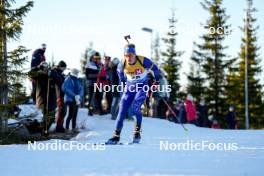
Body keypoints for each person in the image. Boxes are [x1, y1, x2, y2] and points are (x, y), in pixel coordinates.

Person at [106, 43, 160, 144]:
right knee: (121, 110)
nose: (128, 57)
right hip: (129, 89)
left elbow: (156, 69)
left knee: (136, 108)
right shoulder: (121, 64)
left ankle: (137, 132)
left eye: (130, 55)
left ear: (134, 54)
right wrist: (123, 89)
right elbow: (121, 79)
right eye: (126, 55)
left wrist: (156, 81)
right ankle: (115, 136)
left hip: (142, 88)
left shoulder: (143, 60)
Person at [62, 68, 84, 133]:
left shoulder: (77, 80)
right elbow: (65, 88)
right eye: (76, 73)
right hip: (70, 99)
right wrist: (74, 95)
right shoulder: (68, 79)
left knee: (75, 115)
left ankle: (74, 128)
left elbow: (81, 89)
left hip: (76, 100)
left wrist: (79, 96)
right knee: (70, 115)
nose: (77, 74)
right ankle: (67, 128)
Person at [49, 60, 67, 132]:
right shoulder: (54, 72)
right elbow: (55, 81)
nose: (64, 69)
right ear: (61, 66)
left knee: (63, 111)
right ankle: (58, 127)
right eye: (64, 68)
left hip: (62, 94)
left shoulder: (60, 73)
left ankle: (60, 126)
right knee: (61, 110)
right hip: (58, 94)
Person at [85, 51, 101, 116]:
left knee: (97, 97)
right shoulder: (89, 64)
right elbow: (88, 75)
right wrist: (96, 75)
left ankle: (96, 110)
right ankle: (90, 111)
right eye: (94, 57)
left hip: (96, 83)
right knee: (91, 97)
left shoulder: (96, 64)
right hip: (90, 83)